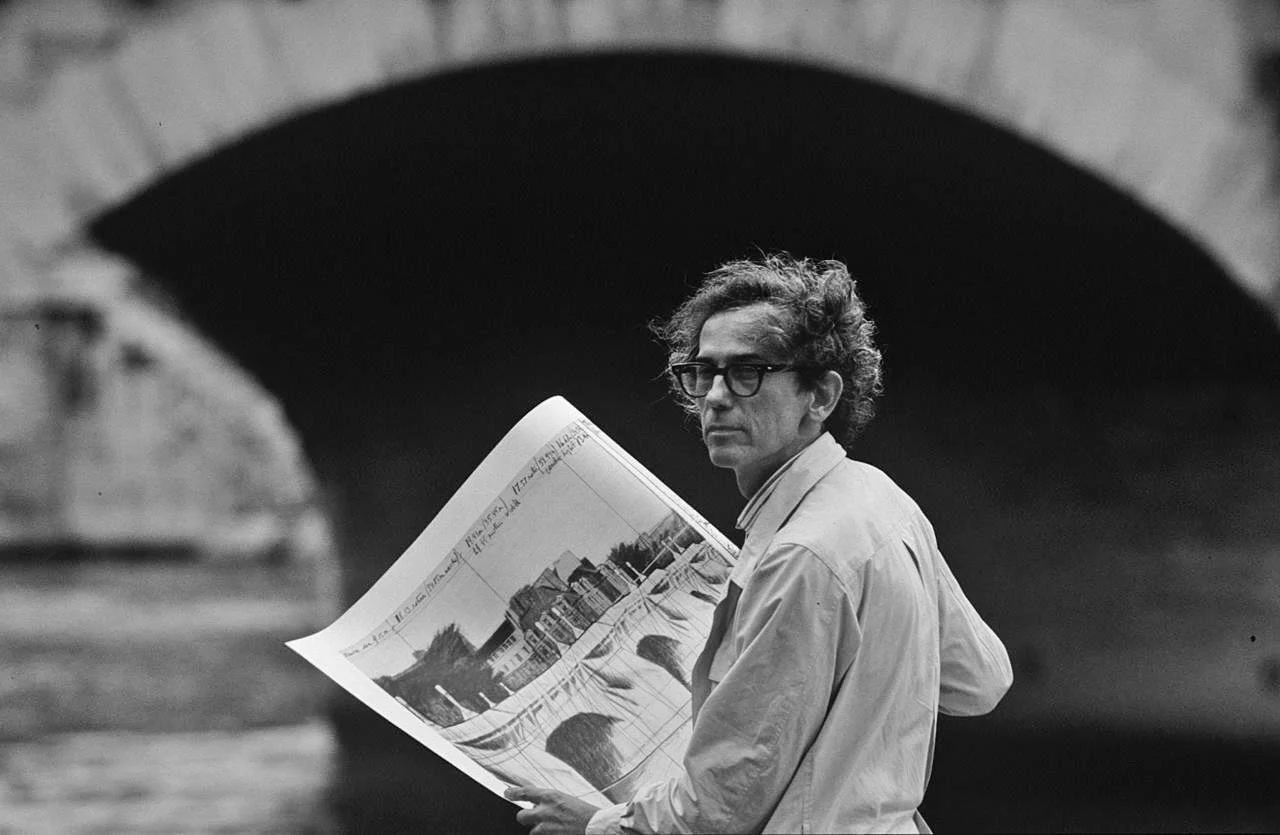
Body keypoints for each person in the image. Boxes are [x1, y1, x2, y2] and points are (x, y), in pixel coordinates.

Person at [507, 254, 1013, 834]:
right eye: (703, 372)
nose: (716, 396)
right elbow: (981, 680)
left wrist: (600, 825)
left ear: (820, 396)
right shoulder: (878, 499)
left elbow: (720, 808)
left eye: (747, 372)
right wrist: (867, 698)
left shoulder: (803, 553)